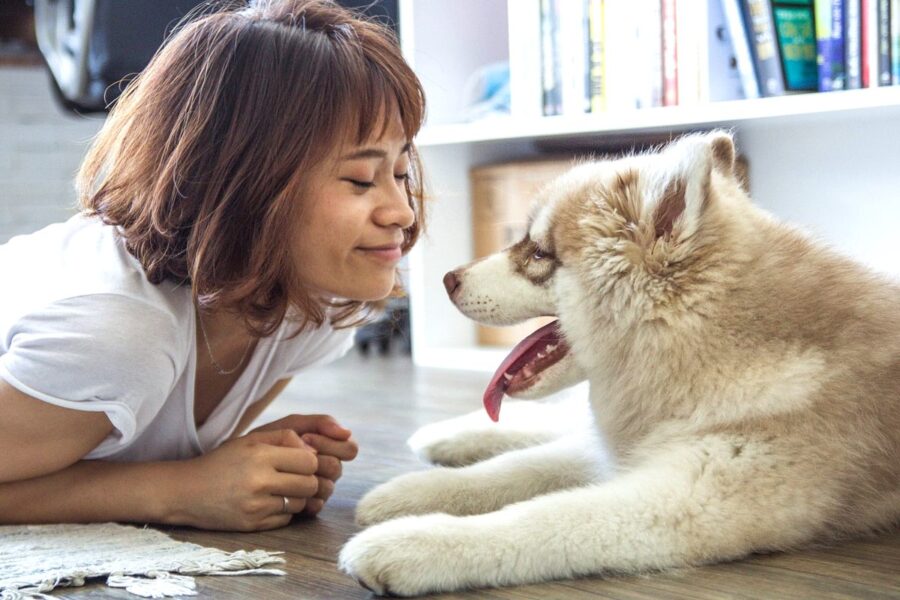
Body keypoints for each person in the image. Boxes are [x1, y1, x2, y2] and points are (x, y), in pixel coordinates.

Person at [0, 0, 425, 532]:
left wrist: (253, 465)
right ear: (241, 185)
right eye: (361, 179)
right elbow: (170, 478)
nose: (402, 211)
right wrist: (176, 492)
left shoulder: (311, 301)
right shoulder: (118, 333)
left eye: (403, 171)